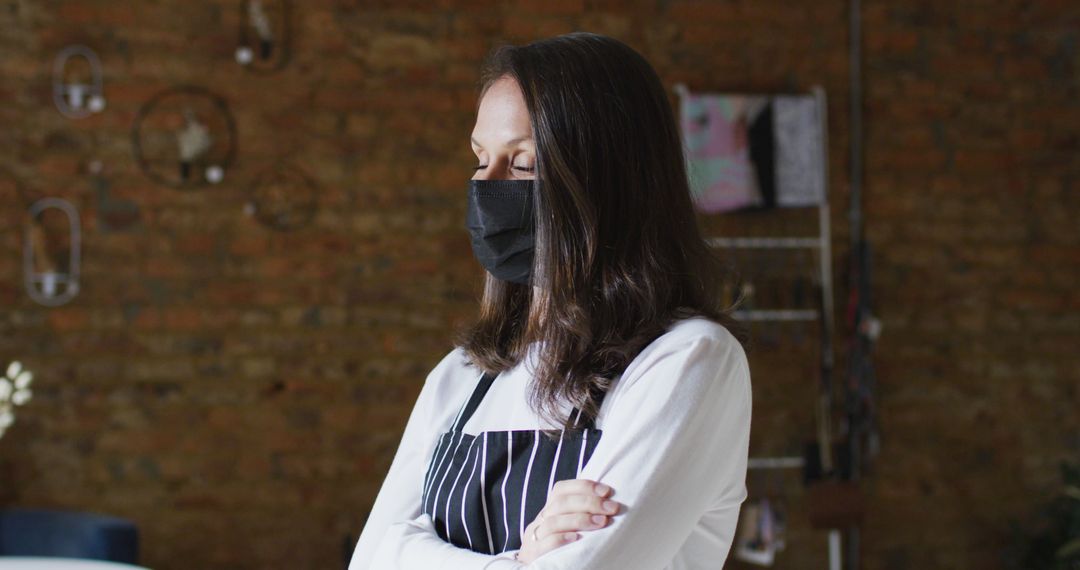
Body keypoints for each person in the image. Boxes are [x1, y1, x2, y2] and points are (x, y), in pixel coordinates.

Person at [348, 31, 752, 569]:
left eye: (522, 165)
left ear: (608, 181)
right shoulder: (463, 374)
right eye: (480, 159)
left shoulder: (688, 362)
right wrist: (519, 562)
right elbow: (368, 560)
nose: (485, 186)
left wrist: (418, 552)